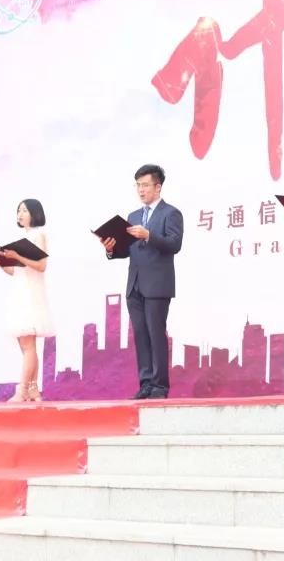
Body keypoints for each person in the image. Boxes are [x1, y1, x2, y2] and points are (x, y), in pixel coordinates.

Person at [101, 164, 183, 400]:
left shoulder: (171, 213)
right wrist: (111, 249)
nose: (141, 190)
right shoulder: (133, 217)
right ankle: (145, 384)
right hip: (134, 284)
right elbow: (128, 250)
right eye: (138, 185)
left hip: (157, 285)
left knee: (156, 334)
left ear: (158, 187)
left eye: (145, 185)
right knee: (141, 335)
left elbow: (175, 244)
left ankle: (159, 386)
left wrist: (148, 235)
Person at [0, 199, 54, 403]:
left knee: (28, 345)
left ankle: (22, 390)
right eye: (18, 210)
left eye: (24, 210)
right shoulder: (23, 239)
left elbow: (41, 266)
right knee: (26, 345)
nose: (20, 214)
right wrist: (1, 263)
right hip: (20, 292)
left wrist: (18, 256)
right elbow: (15, 271)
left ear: (35, 213)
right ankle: (33, 390)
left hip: (31, 294)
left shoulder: (38, 235)